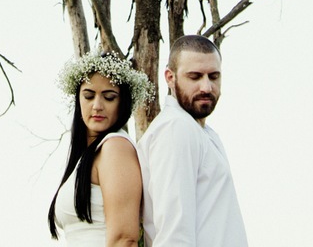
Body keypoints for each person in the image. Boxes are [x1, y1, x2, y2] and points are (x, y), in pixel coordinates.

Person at [137, 35, 249, 246]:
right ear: (170, 77)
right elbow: (174, 232)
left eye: (213, 76)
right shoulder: (175, 128)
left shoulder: (201, 131)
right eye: (195, 77)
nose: (206, 87)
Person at [49, 52, 155, 247]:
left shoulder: (116, 147)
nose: (97, 106)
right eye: (89, 96)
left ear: (122, 103)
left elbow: (124, 239)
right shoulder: (87, 156)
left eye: (109, 97)